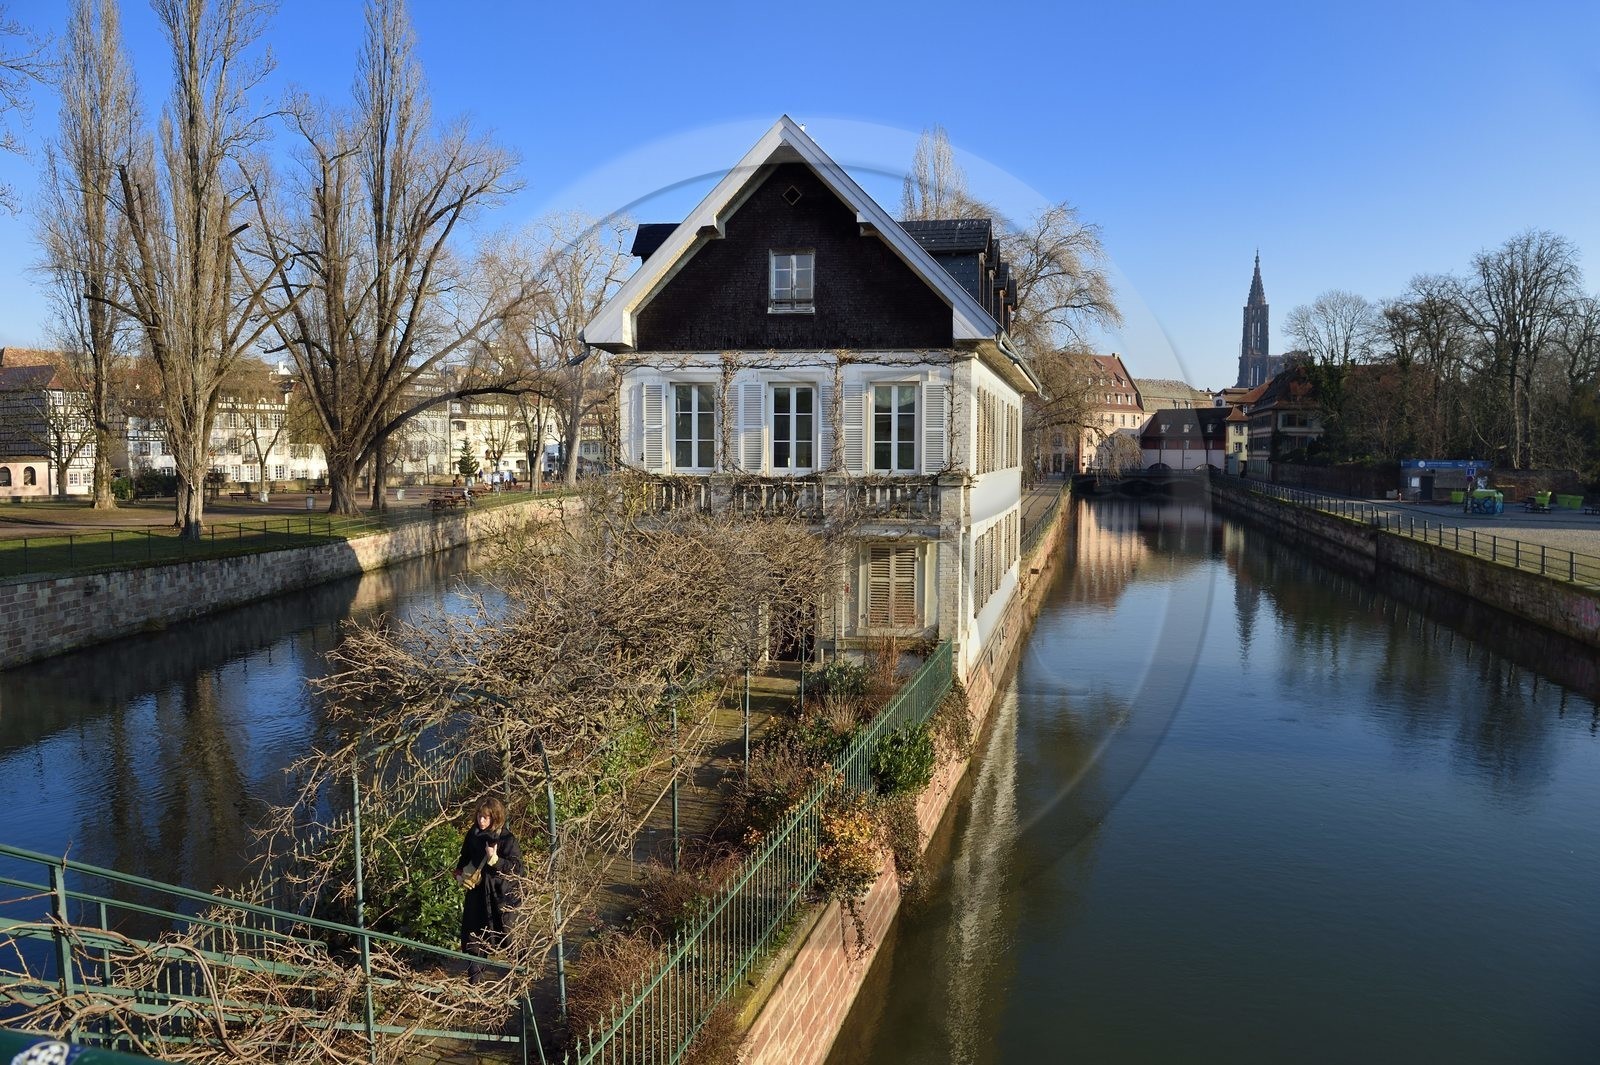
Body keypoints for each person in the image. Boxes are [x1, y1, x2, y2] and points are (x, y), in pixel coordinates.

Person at [453, 794, 521, 981]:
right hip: (477, 896)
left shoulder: (507, 839)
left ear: (495, 818)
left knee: (509, 937)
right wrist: (460, 873)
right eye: (479, 816)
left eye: (486, 817)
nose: (481, 821)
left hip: (501, 898)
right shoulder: (473, 834)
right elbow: (464, 856)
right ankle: (475, 984)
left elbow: (517, 868)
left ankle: (522, 974)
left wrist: (496, 860)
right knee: (474, 939)